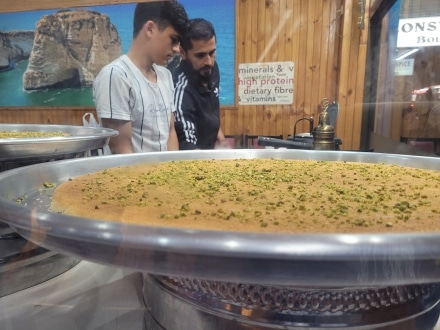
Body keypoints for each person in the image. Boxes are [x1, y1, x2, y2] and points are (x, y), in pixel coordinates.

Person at [93, 1, 189, 153]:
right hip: (131, 175)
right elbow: (121, 149)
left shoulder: (166, 75)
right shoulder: (115, 76)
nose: (177, 49)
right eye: (173, 39)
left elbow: (170, 132)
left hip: (166, 174)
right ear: (150, 29)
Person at [173, 18, 228, 150]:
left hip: (209, 152)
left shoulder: (212, 70)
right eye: (200, 55)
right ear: (183, 53)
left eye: (212, 53)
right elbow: (187, 146)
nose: (208, 61)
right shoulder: (181, 90)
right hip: (192, 161)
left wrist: (220, 136)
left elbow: (209, 107)